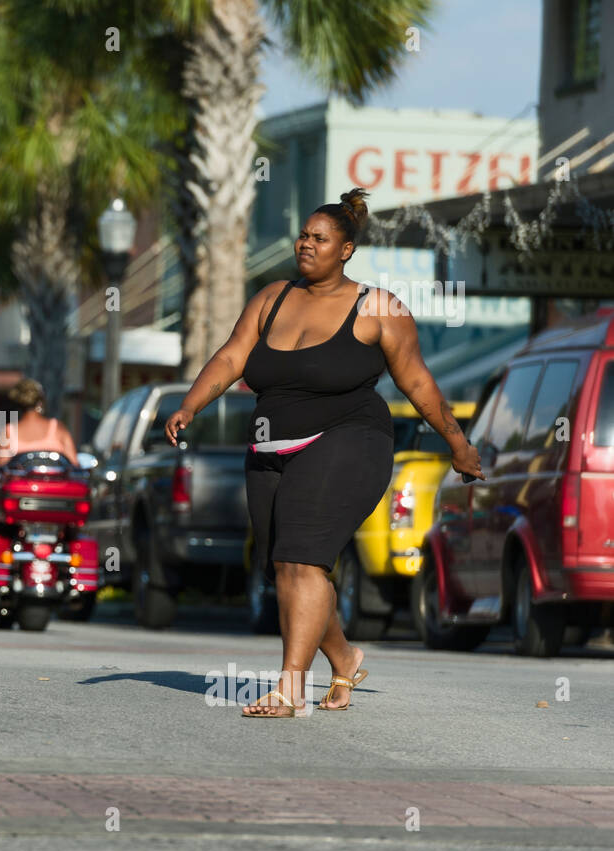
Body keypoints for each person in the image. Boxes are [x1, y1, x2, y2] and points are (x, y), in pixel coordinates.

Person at [165, 188, 483, 717]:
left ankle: (289, 689)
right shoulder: (271, 298)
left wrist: (457, 442)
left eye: (320, 238)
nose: (306, 245)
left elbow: (418, 383)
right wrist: (189, 406)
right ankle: (345, 656)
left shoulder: (377, 307)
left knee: (301, 558)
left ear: (347, 249)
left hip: (350, 439)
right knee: (286, 568)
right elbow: (231, 357)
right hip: (270, 446)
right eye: (303, 236)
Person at [0, 378, 78, 529]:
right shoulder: (58, 429)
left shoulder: (10, 433)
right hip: (58, 506)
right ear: (41, 402)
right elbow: (75, 464)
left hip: (15, 509)